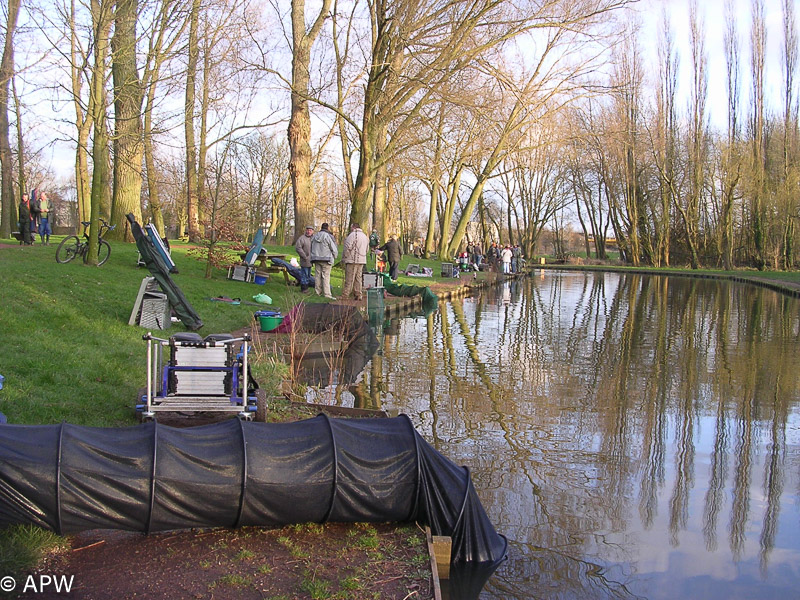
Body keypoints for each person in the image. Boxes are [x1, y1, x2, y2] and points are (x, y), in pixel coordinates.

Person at [310, 223, 338, 299]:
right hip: (326, 259)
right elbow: (333, 248)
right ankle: (327, 294)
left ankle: (317, 292)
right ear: (328, 228)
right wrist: (335, 256)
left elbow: (311, 246)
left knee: (317, 276)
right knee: (326, 277)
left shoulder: (315, 236)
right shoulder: (328, 236)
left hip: (316, 258)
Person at [342, 222, 369, 301]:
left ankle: (345, 295)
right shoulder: (365, 236)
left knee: (350, 277)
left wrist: (345, 257)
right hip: (362, 260)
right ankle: (358, 294)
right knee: (358, 277)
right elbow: (367, 250)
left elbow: (347, 247)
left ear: (353, 227)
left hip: (352, 259)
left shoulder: (352, 235)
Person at [294, 224, 314, 292]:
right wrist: (304, 256)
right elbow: (298, 248)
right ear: (306, 230)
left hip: (311, 261)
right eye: (308, 230)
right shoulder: (302, 238)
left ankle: (306, 288)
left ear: (312, 231)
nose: (309, 231)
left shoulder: (313, 239)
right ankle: (304, 289)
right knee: (304, 275)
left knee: (308, 275)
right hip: (304, 260)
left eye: (310, 230)